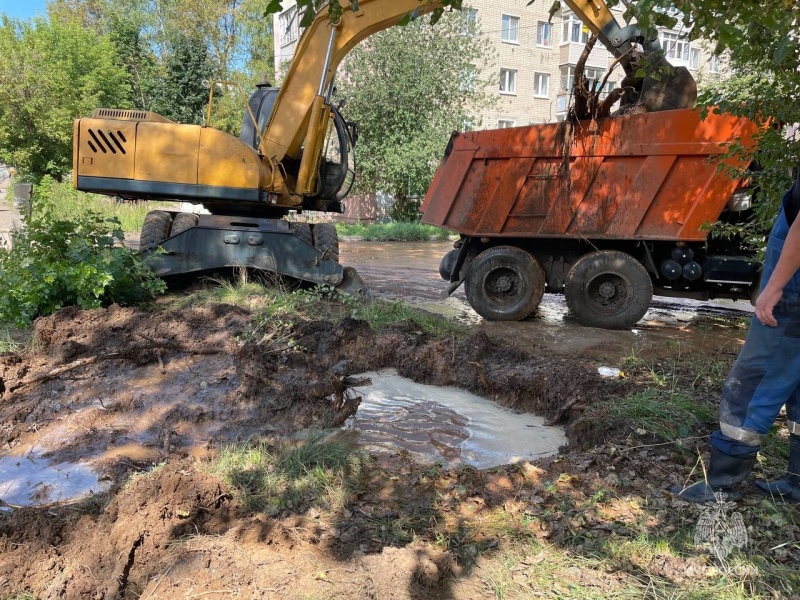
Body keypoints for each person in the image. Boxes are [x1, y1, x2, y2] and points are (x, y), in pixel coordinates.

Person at [673, 170, 800, 503]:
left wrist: (774, 287)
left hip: (793, 295)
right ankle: (798, 484)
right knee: (797, 386)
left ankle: (721, 488)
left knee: (751, 384)